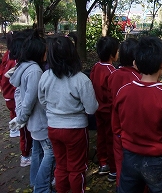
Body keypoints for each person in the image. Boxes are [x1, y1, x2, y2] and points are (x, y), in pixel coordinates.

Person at [113, 36, 162, 193]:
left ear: (135, 63)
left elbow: (116, 127)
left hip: (129, 158)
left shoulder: (123, 92)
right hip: (158, 162)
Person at [38, 36, 98, 193]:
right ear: (73, 54)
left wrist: (55, 111)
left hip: (53, 128)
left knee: (61, 166)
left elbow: (42, 101)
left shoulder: (45, 77)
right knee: (77, 168)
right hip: (76, 130)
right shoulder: (81, 80)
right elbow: (91, 108)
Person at [8, 30, 56, 192]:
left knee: (37, 150)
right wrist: (21, 117)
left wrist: (22, 117)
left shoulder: (25, 66)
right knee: (50, 153)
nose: (46, 53)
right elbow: (29, 99)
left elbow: (19, 93)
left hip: (33, 121)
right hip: (40, 121)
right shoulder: (35, 70)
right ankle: (42, 188)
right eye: (45, 50)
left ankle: (35, 181)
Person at [109, 38, 141, 186]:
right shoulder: (138, 78)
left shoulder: (114, 74)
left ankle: (120, 185)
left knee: (120, 161)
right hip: (133, 128)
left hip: (117, 127)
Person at [90, 36, 120, 182]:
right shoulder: (112, 71)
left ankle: (103, 162)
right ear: (112, 54)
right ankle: (113, 170)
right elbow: (113, 94)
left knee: (101, 135)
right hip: (109, 111)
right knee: (111, 139)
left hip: (97, 109)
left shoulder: (96, 67)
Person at [3, 31, 33, 166]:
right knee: (24, 128)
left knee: (21, 123)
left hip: (10, 97)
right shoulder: (16, 63)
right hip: (13, 98)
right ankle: (25, 155)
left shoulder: (9, 57)